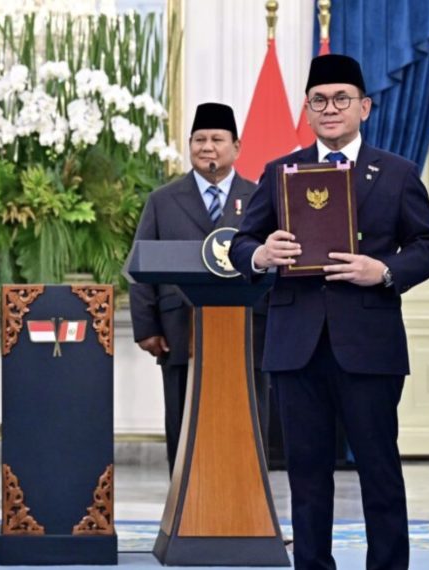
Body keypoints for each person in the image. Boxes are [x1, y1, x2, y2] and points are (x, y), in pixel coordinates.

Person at [230, 54, 429, 570]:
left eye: (342, 98)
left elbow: (428, 246)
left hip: (368, 345)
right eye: (319, 100)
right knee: (305, 475)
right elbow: (242, 243)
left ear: (365, 107)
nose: (331, 108)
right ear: (307, 110)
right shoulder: (279, 172)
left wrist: (384, 271)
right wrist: (260, 255)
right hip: (296, 346)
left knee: (379, 471)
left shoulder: (396, 173)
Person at [129, 102, 269, 475]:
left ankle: (247, 509)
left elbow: (276, 264)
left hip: (249, 332)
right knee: (183, 422)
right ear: (189, 145)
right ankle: (183, 513)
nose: (208, 147)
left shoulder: (261, 196)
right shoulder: (162, 200)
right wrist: (147, 328)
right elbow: (139, 267)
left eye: (217, 139)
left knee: (248, 419)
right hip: (179, 333)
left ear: (236, 147)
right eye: (200, 139)